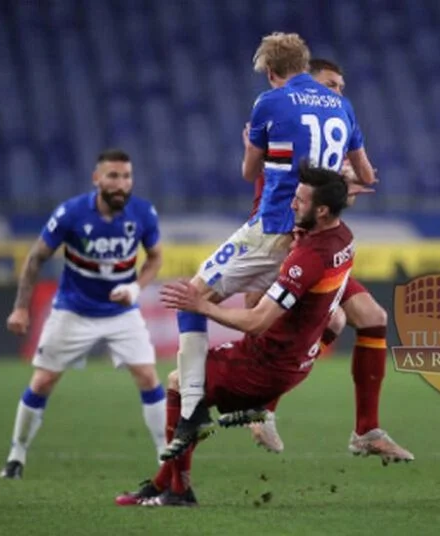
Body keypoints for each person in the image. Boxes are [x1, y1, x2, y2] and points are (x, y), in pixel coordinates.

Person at [167, 33, 378, 459]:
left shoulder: (269, 102)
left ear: (270, 71)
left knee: (193, 296)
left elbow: (250, 171)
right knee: (340, 319)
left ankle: (192, 408)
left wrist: (251, 147)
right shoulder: (343, 106)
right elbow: (367, 176)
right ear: (306, 64)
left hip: (273, 228)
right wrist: (342, 184)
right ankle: (344, 423)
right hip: (314, 239)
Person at [116, 165, 361, 506]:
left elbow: (257, 322)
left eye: (300, 200)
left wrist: (202, 306)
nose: (292, 205)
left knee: (179, 383)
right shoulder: (343, 237)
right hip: (295, 361)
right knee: (333, 317)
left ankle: (179, 489)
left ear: (321, 210)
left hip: (264, 362)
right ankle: (162, 483)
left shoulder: (306, 260)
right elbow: (334, 318)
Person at [246, 58, 413, 465]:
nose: (337, 93)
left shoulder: (327, 137)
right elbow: (277, 179)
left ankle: (364, 430)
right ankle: (261, 406)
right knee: (331, 322)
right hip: (286, 242)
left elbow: (343, 199)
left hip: (317, 245)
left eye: (341, 86)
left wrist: (347, 183)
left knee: (367, 318)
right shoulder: (287, 124)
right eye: (330, 84)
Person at [0, 149, 167, 479]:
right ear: (97, 179)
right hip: (73, 311)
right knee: (43, 380)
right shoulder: (71, 213)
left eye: (127, 176)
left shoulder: (143, 213)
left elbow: (155, 258)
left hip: (121, 312)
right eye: (113, 176)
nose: (121, 184)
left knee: (148, 376)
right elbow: (35, 258)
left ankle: (167, 459)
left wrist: (135, 288)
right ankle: (16, 456)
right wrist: (20, 307)